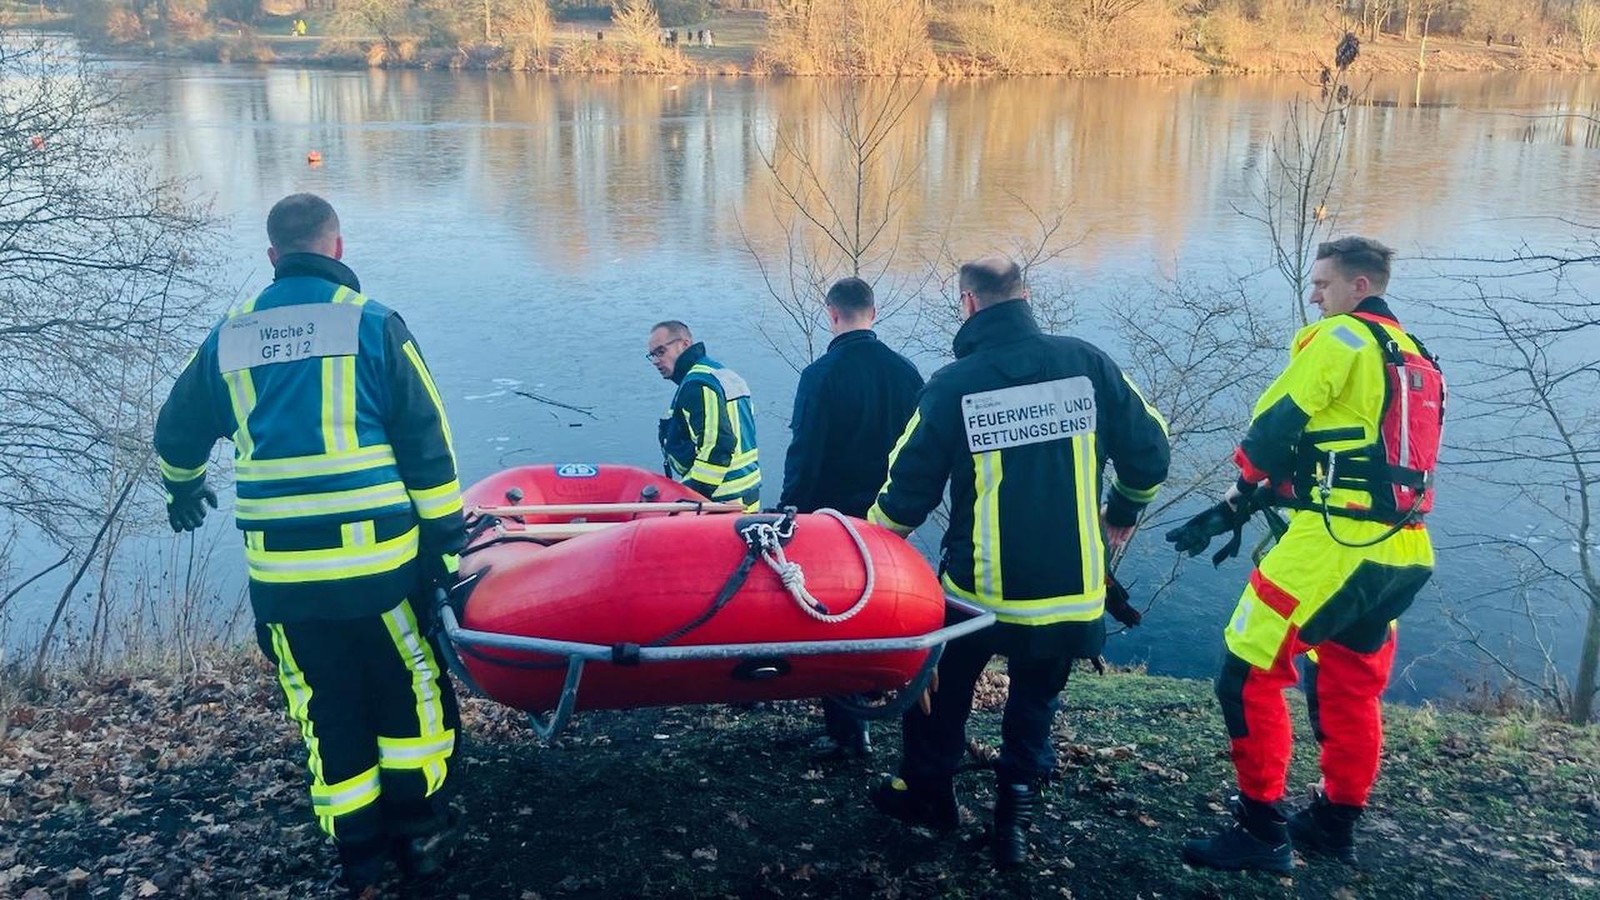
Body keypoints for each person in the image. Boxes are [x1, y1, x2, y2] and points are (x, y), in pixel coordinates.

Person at [154, 194, 466, 898]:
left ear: (273, 257)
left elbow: (176, 433)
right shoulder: (376, 325)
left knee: (325, 707)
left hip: (285, 579)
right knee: (408, 693)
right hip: (381, 568)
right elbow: (428, 446)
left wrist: (182, 489)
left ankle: (358, 856)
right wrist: (448, 546)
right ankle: (421, 839)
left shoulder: (230, 338)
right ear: (337, 248)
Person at [865, 256, 1170, 868]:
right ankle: (1013, 823)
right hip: (1072, 591)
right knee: (1035, 702)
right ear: (1026, 296)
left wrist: (869, 544)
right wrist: (1122, 511)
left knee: (940, 689)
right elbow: (1151, 451)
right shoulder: (1088, 364)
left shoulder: (955, 383)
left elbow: (908, 490)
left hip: (980, 595)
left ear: (969, 304)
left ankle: (930, 796)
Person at [1168, 237, 1443, 873]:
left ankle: (1261, 830)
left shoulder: (1342, 338)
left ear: (1360, 286)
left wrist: (1241, 486)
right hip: (1403, 548)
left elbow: (1274, 420)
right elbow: (1365, 453)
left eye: (1324, 283)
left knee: (1246, 671)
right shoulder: (1417, 357)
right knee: (1350, 683)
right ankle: (1333, 822)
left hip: (1333, 545)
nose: (1313, 294)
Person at [780, 277, 924, 760]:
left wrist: (790, 513)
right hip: (892, 517)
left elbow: (805, 452)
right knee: (883, 613)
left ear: (831, 314)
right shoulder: (907, 374)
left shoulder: (821, 375)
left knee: (834, 621)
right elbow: (920, 452)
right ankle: (883, 700)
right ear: (874, 313)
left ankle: (847, 730)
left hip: (832, 518)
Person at [647, 320, 762, 510]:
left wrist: (689, 496)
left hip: (721, 500)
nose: (656, 361)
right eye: (652, 355)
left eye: (661, 352)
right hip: (747, 491)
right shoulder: (721, 373)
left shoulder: (697, 383)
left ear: (684, 344)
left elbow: (717, 446)